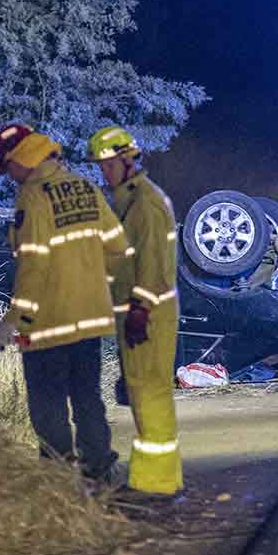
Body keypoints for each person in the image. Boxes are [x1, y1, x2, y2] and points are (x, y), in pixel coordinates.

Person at [0, 123, 127, 485]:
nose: (10, 176)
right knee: (87, 399)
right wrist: (94, 285)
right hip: (91, 319)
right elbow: (116, 245)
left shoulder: (33, 198)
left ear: (24, 159)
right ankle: (100, 472)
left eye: (10, 167)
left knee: (47, 406)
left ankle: (57, 480)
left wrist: (12, 320)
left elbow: (33, 264)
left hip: (49, 323)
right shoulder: (86, 189)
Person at [88, 125, 183, 496]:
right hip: (137, 312)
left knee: (152, 396)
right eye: (101, 166)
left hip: (150, 313)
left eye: (110, 164)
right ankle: (150, 480)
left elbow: (154, 265)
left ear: (129, 160)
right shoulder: (129, 201)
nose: (105, 172)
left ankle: (157, 484)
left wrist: (140, 308)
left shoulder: (146, 203)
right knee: (143, 396)